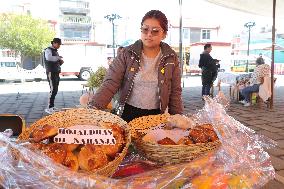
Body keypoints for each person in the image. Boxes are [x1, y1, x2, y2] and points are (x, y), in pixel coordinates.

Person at [90, 10, 183, 122]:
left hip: (157, 116)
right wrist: (94, 107)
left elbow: (175, 92)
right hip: (128, 113)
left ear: (163, 34)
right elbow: (111, 83)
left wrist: (178, 118)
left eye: (155, 31)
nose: (149, 34)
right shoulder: (127, 54)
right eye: (145, 29)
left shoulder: (171, 58)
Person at [44, 38, 64, 114]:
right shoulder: (48, 50)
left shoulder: (55, 51)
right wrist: (58, 58)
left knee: (55, 89)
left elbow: (55, 61)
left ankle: (52, 106)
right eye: (58, 44)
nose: (59, 46)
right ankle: (49, 107)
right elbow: (49, 58)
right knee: (53, 90)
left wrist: (60, 61)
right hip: (51, 72)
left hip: (56, 72)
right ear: (54, 43)